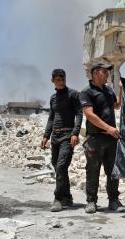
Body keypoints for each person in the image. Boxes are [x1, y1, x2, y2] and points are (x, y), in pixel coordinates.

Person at [79, 62, 123, 214]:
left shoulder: (108, 90)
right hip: (95, 138)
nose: (108, 75)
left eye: (108, 72)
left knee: (113, 171)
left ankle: (114, 200)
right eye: (105, 72)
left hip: (111, 138)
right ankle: (91, 201)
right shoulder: (86, 92)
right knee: (93, 170)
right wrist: (108, 128)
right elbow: (90, 115)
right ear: (96, 73)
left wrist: (122, 89)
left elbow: (116, 105)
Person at [41, 68, 82, 212]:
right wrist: (46, 136)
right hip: (55, 137)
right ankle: (68, 197)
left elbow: (79, 114)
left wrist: (75, 133)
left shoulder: (73, 94)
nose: (61, 81)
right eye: (58, 79)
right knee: (58, 167)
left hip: (67, 136)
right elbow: (51, 118)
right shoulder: (53, 98)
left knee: (61, 166)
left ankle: (58, 199)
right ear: (52, 80)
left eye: (63, 78)